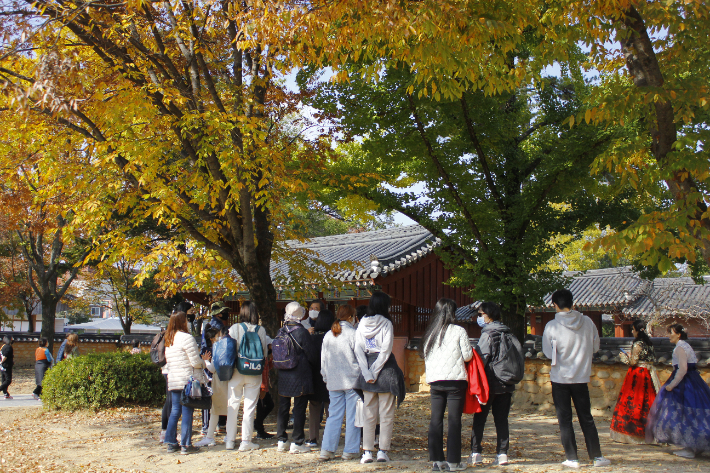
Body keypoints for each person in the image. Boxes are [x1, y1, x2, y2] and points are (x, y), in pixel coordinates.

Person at [542, 289, 610, 468]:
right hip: (581, 376)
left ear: (555, 305)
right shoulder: (587, 322)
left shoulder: (551, 326)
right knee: (586, 417)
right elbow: (596, 347)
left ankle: (572, 458)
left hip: (560, 378)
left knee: (564, 419)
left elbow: (549, 353)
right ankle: (597, 456)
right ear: (573, 302)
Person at [421, 298, 472, 472]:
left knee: (435, 419)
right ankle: (453, 461)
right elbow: (467, 356)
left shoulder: (430, 332)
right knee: (454, 420)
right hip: (455, 381)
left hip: (435, 381)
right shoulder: (459, 331)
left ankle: (436, 460)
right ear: (453, 312)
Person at [355, 291, 406, 464]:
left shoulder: (362, 322)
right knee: (386, 414)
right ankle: (383, 450)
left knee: (368, 413)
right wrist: (376, 371)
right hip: (385, 371)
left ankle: (367, 451)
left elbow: (358, 349)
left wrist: (367, 372)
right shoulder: (386, 323)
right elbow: (386, 350)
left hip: (367, 369)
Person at [646, 324, 710, 458]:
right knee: (694, 413)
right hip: (694, 381)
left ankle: (690, 447)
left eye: (671, 332)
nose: (669, 335)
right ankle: (693, 446)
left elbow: (682, 369)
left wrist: (672, 385)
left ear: (678, 334)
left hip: (684, 383)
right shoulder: (686, 346)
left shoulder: (680, 348)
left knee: (684, 413)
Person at [469, 302, 520, 467]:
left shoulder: (488, 334)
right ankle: (502, 453)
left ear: (488, 315)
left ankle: (476, 452)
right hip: (506, 383)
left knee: (480, 418)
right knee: (502, 420)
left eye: (481, 313)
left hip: (488, 384)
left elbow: (481, 359)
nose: (479, 317)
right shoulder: (508, 332)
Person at [225, 301, 270, 451]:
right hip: (254, 371)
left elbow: (229, 350)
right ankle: (246, 441)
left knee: (233, 404)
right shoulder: (261, 330)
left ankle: (230, 441)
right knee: (249, 407)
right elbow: (264, 353)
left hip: (237, 371)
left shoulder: (234, 328)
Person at [319, 304, 362, 461]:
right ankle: (350, 450)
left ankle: (327, 450)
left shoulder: (329, 335)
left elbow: (323, 360)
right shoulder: (353, 334)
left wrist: (325, 376)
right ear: (351, 317)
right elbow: (360, 358)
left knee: (333, 416)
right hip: (352, 381)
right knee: (352, 416)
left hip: (333, 381)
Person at [275, 301, 318, 454]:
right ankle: (298, 441)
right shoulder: (301, 332)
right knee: (299, 407)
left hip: (283, 372)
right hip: (300, 373)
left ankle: (281, 439)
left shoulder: (281, 331)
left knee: (283, 406)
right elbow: (312, 355)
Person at [609, 320, 658, 444]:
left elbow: (633, 362)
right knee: (649, 401)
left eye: (633, 329)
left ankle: (633, 434)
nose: (632, 332)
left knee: (634, 402)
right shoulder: (649, 343)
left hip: (638, 375)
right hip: (649, 374)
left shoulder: (638, 344)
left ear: (637, 330)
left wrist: (623, 357)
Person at [164, 311, 204, 455]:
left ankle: (170, 442)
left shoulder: (169, 339)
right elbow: (195, 362)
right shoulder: (187, 338)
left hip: (174, 380)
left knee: (175, 411)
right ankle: (186, 444)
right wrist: (203, 362)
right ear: (182, 322)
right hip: (187, 380)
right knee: (187, 411)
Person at [195, 327, 229, 448]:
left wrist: (205, 362)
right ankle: (228, 436)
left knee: (215, 409)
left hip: (217, 381)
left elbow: (212, 368)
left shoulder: (217, 348)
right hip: (228, 380)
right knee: (229, 408)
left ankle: (209, 436)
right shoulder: (227, 346)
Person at [306, 309, 335, 450]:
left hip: (314, 376)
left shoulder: (312, 339)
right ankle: (331, 438)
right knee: (331, 408)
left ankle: (312, 438)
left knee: (314, 408)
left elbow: (309, 359)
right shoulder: (333, 339)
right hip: (331, 377)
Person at [200, 301, 230, 435]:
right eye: (224, 311)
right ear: (218, 313)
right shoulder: (217, 327)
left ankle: (209, 425)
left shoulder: (207, 325)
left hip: (209, 361)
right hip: (214, 363)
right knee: (218, 394)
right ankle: (216, 425)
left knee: (211, 394)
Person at [255, 346, 275, 439]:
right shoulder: (262, 356)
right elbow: (263, 372)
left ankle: (257, 424)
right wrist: (263, 388)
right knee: (261, 407)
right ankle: (259, 429)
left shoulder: (266, 357)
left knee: (267, 405)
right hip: (260, 386)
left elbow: (268, 368)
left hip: (261, 385)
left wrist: (271, 360)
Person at [0, 335, 14, 400]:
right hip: (6, 365)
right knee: (8, 380)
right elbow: (5, 356)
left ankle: (6, 393)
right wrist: (2, 361)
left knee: (4, 379)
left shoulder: (3, 346)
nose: (12, 340)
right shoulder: (8, 347)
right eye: (11, 339)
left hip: (2, 366)